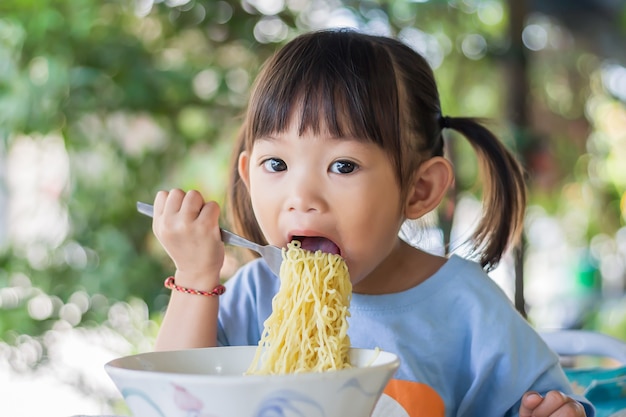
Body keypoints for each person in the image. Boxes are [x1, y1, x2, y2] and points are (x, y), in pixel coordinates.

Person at [149, 29, 594, 416]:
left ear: (419, 190)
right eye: (276, 163)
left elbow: (547, 404)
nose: (300, 197)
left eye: (343, 166)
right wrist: (194, 277)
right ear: (247, 176)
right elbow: (173, 399)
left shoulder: (467, 310)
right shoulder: (253, 294)